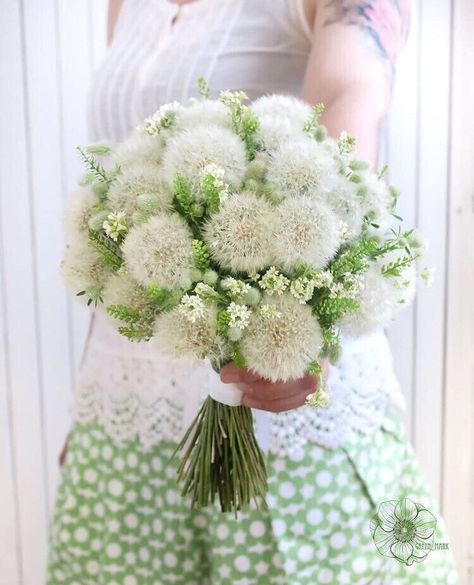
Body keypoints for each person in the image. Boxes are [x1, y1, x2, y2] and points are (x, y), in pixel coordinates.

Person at [47, 1, 459, 583]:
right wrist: (85, 408)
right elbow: (125, 230)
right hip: (125, 408)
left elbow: (347, 103)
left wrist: (311, 322)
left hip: (279, 401)